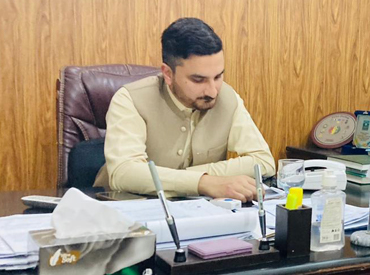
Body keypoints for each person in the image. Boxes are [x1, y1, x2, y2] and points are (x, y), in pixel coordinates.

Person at [94, 18, 275, 201]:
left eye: (218, 76)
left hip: (196, 212)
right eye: (198, 80)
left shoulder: (227, 98)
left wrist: (197, 177)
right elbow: (123, 173)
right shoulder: (130, 99)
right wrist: (204, 183)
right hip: (124, 211)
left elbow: (263, 161)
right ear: (168, 74)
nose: (212, 91)